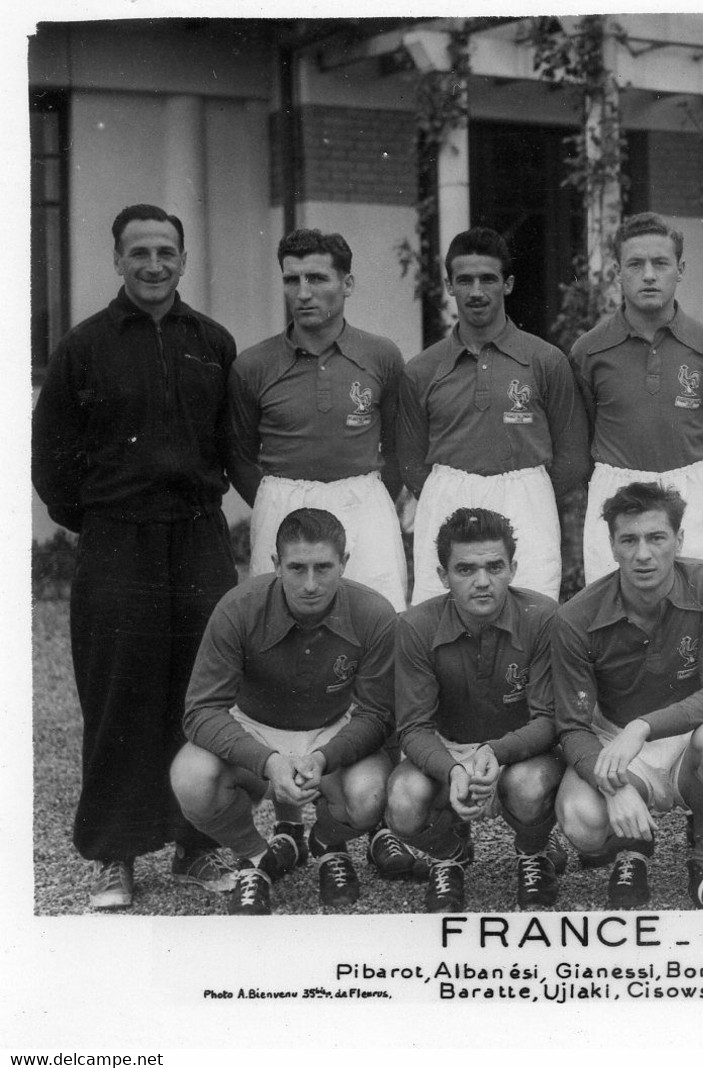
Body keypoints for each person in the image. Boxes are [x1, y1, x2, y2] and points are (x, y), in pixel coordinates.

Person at [33, 203, 239, 909]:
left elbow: (232, 444)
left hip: (198, 535)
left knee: (203, 695)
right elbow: (51, 463)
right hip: (118, 538)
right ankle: (114, 857)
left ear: (183, 260)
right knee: (120, 693)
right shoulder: (84, 346)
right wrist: (103, 520)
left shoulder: (212, 341)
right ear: (117, 260)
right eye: (139, 252)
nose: (154, 264)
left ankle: (199, 845)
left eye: (165, 252)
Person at [171, 509, 395, 914]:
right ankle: (257, 857)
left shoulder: (374, 612)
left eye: (324, 567)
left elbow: (378, 715)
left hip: (331, 731)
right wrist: (267, 761)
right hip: (254, 729)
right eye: (296, 568)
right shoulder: (238, 607)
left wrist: (325, 756)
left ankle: (325, 840)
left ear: (344, 563)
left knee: (371, 794)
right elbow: (201, 711)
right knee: (191, 777)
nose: (310, 584)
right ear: (275, 565)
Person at [553, 483, 703, 910]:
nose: (643, 554)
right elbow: (570, 724)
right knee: (581, 821)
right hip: (617, 740)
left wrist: (644, 727)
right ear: (613, 546)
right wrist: (612, 787)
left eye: (656, 538)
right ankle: (633, 850)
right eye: (629, 540)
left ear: (679, 540)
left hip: (688, 735)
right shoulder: (576, 616)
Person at [387, 507, 569, 913]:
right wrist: (452, 768)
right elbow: (414, 727)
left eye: (494, 566)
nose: (482, 581)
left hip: (520, 752)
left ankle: (533, 852)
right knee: (402, 800)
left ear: (513, 568)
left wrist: (497, 752)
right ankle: (448, 854)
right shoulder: (415, 625)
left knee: (529, 787)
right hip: (447, 749)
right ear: (442, 575)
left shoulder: (542, 617)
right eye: (465, 569)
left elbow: (549, 718)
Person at [398, 227, 589, 603]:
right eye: (464, 280)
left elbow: (573, 457)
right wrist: (456, 491)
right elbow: (410, 462)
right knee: (441, 621)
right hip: (448, 506)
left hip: (526, 507)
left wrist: (527, 493)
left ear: (509, 284)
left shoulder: (546, 361)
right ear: (449, 286)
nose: (476, 291)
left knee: (531, 616)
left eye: (488, 278)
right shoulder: (422, 369)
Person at [228, 228, 408, 611]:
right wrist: (277, 501)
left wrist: (367, 498)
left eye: (317, 278)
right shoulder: (253, 365)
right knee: (279, 626)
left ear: (348, 284)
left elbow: (397, 447)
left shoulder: (381, 355)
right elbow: (240, 457)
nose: (303, 293)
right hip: (283, 509)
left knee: (376, 619)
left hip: (363, 506)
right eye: (292, 280)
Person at [571, 213, 703, 584]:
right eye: (635, 264)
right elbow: (585, 433)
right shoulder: (589, 350)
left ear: (680, 269)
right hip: (618, 491)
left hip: (693, 488)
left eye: (660, 263)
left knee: (701, 601)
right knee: (616, 613)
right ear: (617, 271)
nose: (648, 275)